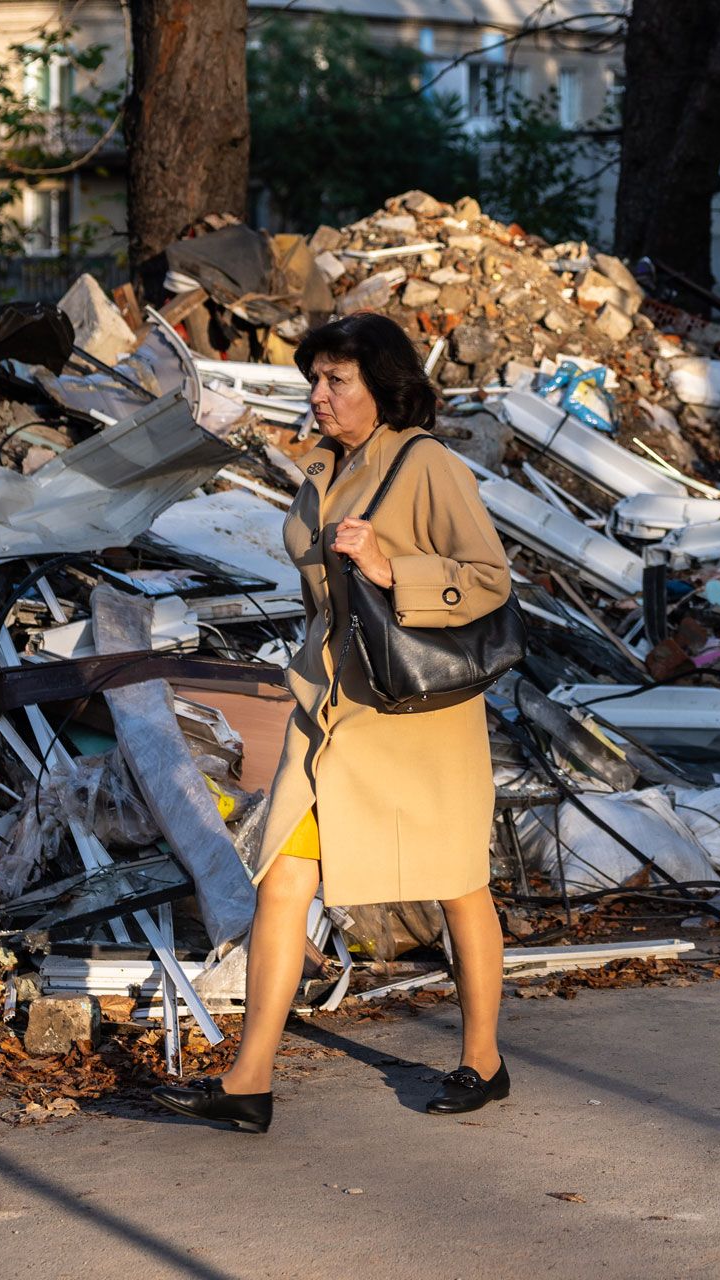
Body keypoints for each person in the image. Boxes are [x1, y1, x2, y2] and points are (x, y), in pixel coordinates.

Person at [151, 312, 515, 1135]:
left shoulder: (425, 464)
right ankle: (248, 1081)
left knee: (457, 882)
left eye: (335, 380)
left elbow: (488, 576)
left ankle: (484, 1061)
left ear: (380, 387)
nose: (316, 395)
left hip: (415, 715)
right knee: (283, 875)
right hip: (331, 710)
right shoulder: (323, 468)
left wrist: (394, 567)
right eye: (314, 377)